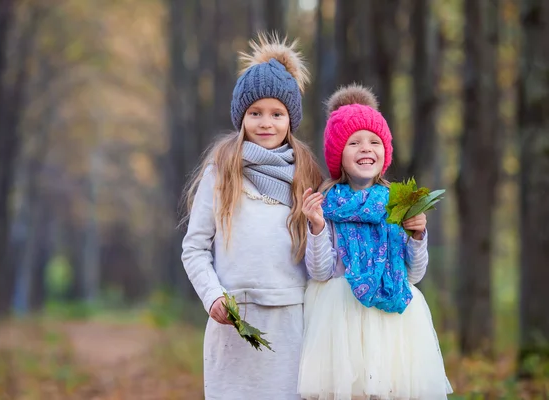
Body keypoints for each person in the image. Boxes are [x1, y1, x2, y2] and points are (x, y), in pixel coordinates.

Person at [181, 33, 322, 400]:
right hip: (234, 320)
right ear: (241, 117)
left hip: (292, 320)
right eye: (255, 113)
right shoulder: (222, 170)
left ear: (290, 119)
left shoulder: (306, 175)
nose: (266, 123)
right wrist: (213, 295)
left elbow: (320, 253)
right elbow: (194, 248)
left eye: (277, 114)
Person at [297, 84, 452, 400]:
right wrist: (315, 228)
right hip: (342, 320)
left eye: (374, 141)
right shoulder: (327, 204)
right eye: (354, 143)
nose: (365, 148)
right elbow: (319, 271)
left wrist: (418, 236)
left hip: (390, 322)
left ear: (386, 151)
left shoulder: (399, 202)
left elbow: (412, 275)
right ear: (338, 154)